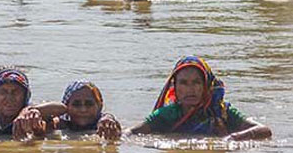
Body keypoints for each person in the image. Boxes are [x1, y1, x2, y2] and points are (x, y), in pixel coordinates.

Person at [127, 56, 272, 140]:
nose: (190, 89)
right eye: (184, 83)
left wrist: (233, 138)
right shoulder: (169, 114)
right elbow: (131, 132)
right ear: (175, 88)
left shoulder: (222, 111)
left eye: (196, 82)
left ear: (206, 86)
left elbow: (264, 130)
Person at [29, 81, 122, 140]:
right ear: (67, 106)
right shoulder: (59, 124)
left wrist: (109, 117)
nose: (83, 109)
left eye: (89, 104)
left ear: (99, 105)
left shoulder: (106, 125)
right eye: (76, 104)